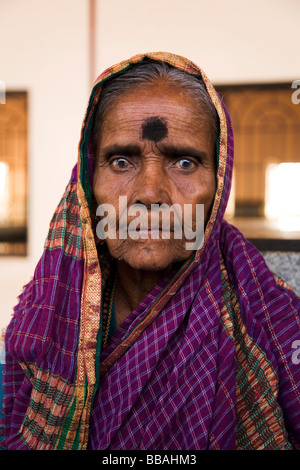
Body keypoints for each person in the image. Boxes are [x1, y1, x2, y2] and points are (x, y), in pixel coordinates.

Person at [1, 52, 300, 451]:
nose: (150, 194)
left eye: (185, 162)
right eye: (121, 161)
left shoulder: (273, 319)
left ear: (220, 180)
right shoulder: (45, 324)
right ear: (89, 183)